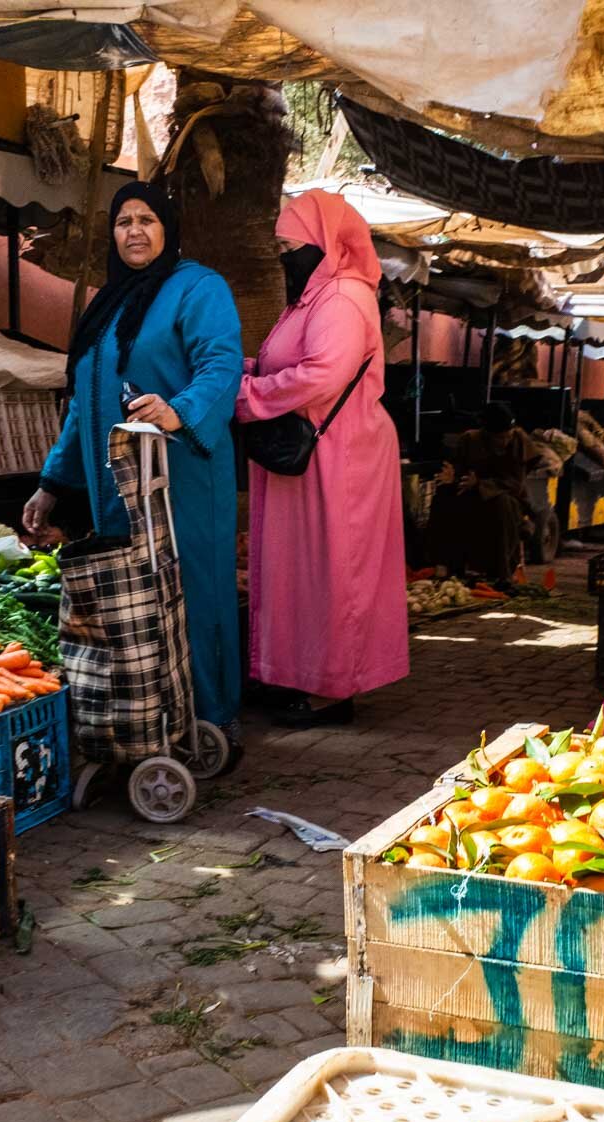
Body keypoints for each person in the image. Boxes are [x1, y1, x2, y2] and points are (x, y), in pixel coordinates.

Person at [23, 182, 245, 743]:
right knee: (137, 596)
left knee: (191, 589)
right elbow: (84, 402)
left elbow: (221, 365)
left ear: (167, 228)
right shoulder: (111, 301)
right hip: (117, 483)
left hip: (183, 474)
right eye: (124, 222)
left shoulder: (198, 287)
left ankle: (209, 714)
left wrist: (178, 410)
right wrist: (51, 482)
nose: (135, 231)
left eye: (147, 219)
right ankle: (153, 711)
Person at [237, 189, 409, 728]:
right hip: (316, 453)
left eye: (293, 245)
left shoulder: (341, 298)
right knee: (303, 573)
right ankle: (297, 676)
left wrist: (248, 396)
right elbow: (280, 360)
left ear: (324, 244)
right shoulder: (312, 297)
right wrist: (235, 369)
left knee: (337, 573)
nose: (285, 256)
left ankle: (334, 690)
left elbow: (323, 374)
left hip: (341, 457)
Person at [426, 402, 537, 583]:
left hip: (508, 496)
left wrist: (480, 484)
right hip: (474, 494)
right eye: (499, 438)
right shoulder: (471, 440)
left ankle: (502, 572)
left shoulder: (519, 442)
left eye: (507, 436)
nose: (504, 442)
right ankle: (447, 566)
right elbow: (461, 469)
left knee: (502, 505)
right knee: (445, 499)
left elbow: (515, 483)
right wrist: (455, 477)